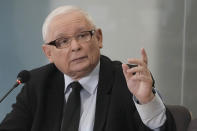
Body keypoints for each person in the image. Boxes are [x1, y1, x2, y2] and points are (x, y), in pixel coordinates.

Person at [0, 5, 176, 131]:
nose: (75, 46)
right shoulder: (36, 84)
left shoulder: (128, 80)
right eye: (63, 41)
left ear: (98, 38)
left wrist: (147, 101)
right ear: (48, 53)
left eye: (82, 35)